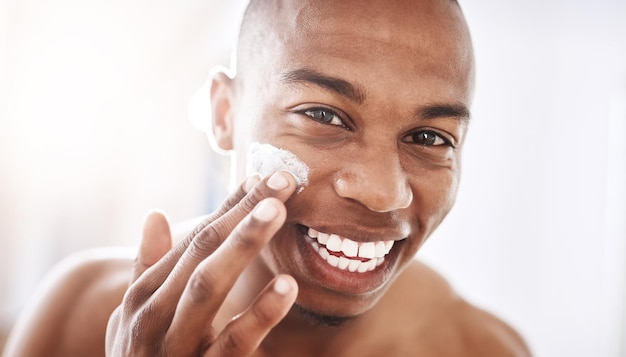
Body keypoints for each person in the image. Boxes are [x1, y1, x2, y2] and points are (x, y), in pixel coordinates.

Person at [3, 0, 532, 356]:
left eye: (430, 138)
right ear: (225, 114)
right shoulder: (84, 317)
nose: (382, 192)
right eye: (323, 115)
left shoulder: (476, 346)